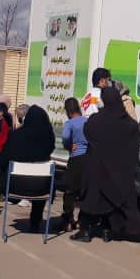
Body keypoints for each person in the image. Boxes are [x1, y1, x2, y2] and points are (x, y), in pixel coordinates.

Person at [73, 86, 140, 243]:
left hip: (97, 169)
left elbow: (88, 131)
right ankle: (107, 231)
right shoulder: (129, 124)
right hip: (118, 172)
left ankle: (85, 231)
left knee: (92, 199)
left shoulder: (96, 120)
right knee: (110, 201)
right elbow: (135, 140)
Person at [4, 105, 57, 233]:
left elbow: (7, 154)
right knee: (45, 181)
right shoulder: (48, 136)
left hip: (16, 185)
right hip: (41, 186)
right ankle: (35, 221)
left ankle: (14, 199)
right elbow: (50, 149)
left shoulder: (16, 135)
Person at [60, 97, 88, 231]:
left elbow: (65, 138)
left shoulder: (69, 123)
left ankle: (68, 220)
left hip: (75, 158)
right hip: (87, 158)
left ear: (68, 111)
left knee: (70, 191)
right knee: (84, 191)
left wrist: (69, 146)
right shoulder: (87, 121)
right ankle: (81, 221)